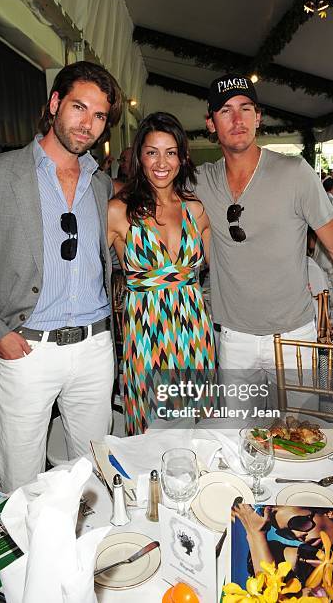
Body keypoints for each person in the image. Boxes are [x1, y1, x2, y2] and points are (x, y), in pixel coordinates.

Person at [0, 61, 122, 492]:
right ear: (54, 103)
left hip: (95, 348)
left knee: (92, 474)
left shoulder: (102, 185)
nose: (87, 124)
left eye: (99, 116)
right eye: (79, 107)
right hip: (26, 348)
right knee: (20, 481)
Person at [195, 74, 333, 415]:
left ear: (258, 117)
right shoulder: (202, 180)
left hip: (294, 338)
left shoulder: (293, 172)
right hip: (233, 338)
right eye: (225, 111)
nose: (238, 119)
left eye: (246, 108)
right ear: (211, 124)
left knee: (301, 437)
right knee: (239, 439)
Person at [108, 112, 215, 435]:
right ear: (139, 157)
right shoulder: (118, 211)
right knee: (148, 434)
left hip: (194, 332)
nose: (161, 162)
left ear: (182, 157)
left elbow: (224, 270)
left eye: (170, 152)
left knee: (197, 432)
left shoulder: (194, 209)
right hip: (146, 334)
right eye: (152, 152)